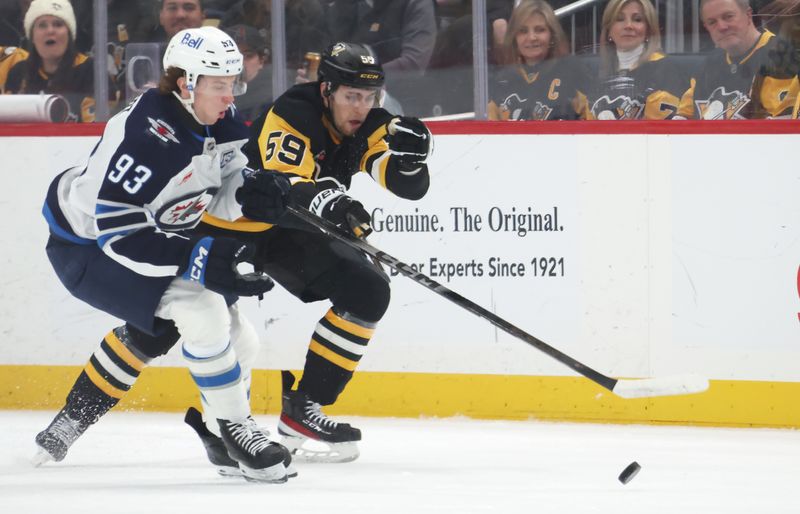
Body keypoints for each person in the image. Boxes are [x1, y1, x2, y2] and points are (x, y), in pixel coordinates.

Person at [35, 25, 296, 484]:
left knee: (239, 337)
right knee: (201, 310)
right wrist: (198, 257)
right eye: (219, 85)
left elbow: (218, 187)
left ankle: (220, 437)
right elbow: (121, 234)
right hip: (88, 248)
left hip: (152, 235)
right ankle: (237, 430)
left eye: (233, 83)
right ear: (185, 84)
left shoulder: (218, 116)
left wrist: (249, 192)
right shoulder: (146, 135)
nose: (230, 95)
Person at [198, 41, 433, 463]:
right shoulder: (293, 113)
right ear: (327, 90)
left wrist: (411, 161)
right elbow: (286, 189)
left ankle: (303, 409)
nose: (360, 107)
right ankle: (76, 417)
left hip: (286, 229)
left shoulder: (370, 122)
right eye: (351, 96)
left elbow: (407, 185)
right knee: (164, 325)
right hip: (231, 223)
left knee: (367, 291)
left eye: (369, 97)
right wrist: (335, 204)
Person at [677, 0, 800, 119]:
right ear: (706, 27)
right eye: (712, 22)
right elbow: (682, 118)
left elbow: (781, 125)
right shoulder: (708, 65)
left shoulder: (782, 56)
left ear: (748, 14)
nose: (722, 27)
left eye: (728, 17)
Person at [3, 0, 118, 122]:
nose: (50, 31)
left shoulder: (92, 72)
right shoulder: (18, 72)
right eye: (42, 25)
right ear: (32, 36)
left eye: (58, 24)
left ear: (69, 34)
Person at [488, 0, 590, 120]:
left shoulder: (572, 70)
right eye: (523, 31)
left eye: (540, 30)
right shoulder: (502, 79)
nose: (531, 37)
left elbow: (592, 120)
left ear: (552, 35)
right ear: (514, 37)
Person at [590, 0, 690, 120]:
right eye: (620, 19)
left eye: (637, 19)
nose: (628, 26)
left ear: (648, 30)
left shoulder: (666, 70)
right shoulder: (598, 73)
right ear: (608, 30)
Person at [223, 23, 272, 122]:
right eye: (232, 55)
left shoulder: (274, 93)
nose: (239, 61)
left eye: (247, 55)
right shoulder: (208, 93)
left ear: (262, 61)